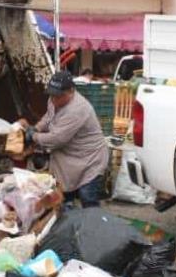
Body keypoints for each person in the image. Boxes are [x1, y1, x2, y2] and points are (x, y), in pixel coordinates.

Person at [22, 70, 110, 207]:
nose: (53, 99)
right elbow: (48, 117)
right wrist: (37, 128)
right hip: (70, 159)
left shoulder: (77, 109)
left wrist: (33, 136)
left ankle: (94, 225)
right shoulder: (53, 100)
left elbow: (56, 139)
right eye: (52, 95)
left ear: (71, 91)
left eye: (58, 96)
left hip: (90, 160)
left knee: (87, 196)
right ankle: (68, 223)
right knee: (63, 197)